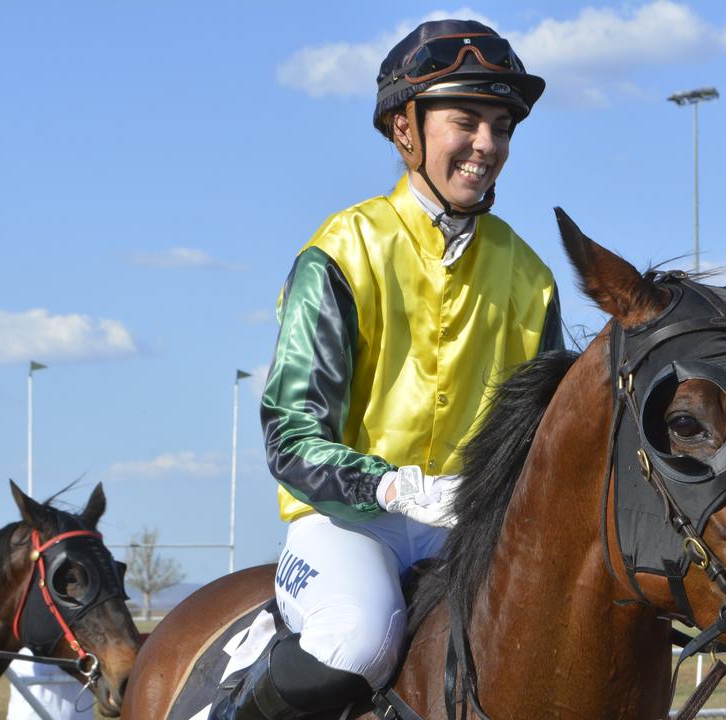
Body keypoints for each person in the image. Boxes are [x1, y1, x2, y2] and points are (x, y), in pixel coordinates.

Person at [211, 19, 562, 720]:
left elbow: (542, 441)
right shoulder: (341, 251)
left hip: (468, 527)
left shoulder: (532, 277)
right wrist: (393, 487)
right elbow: (290, 433)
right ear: (406, 128)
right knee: (361, 642)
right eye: (465, 121)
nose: (487, 145)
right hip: (348, 522)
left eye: (502, 127)